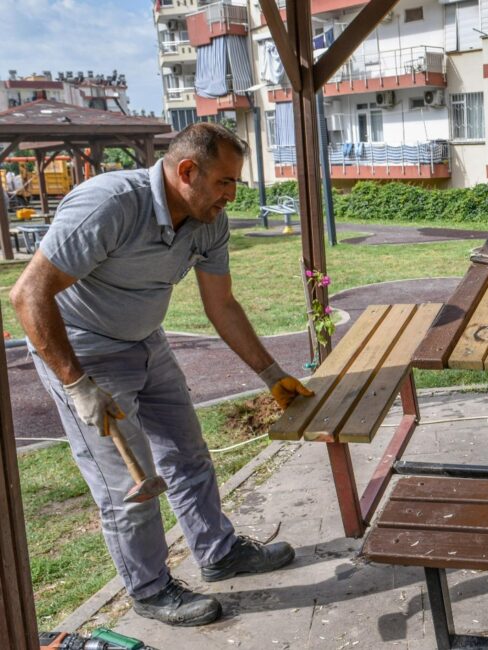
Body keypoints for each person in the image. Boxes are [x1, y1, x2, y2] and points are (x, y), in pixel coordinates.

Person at [10, 123, 313, 627]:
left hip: (149, 343)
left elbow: (221, 303)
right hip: (85, 355)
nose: (230, 195)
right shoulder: (110, 205)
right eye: (224, 182)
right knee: (128, 487)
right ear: (187, 171)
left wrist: (270, 373)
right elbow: (28, 293)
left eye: (236, 183)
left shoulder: (209, 219)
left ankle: (219, 553)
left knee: (188, 454)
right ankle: (150, 591)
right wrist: (76, 383)